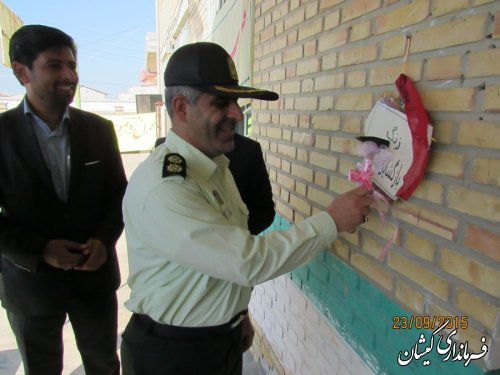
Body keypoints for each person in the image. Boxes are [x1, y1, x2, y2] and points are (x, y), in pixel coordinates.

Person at [120, 41, 373, 375]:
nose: (237, 114)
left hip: (217, 341)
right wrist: (331, 221)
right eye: (222, 102)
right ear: (181, 108)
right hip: (174, 356)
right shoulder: (166, 187)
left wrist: (238, 316)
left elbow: (217, 260)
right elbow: (248, 260)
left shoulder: (213, 166)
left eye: (236, 101)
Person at [0, 25, 127, 375]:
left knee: (104, 364)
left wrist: (104, 240)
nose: (69, 75)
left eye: (72, 65)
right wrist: (41, 249)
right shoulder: (2, 135)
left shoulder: (99, 130)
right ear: (22, 71)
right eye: (55, 65)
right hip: (31, 284)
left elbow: (119, 194)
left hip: (94, 279)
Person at [155, 132, 275, 235]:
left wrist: (237, 238)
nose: (238, 114)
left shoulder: (248, 149)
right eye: (220, 104)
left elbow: (264, 212)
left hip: (236, 253)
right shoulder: (165, 150)